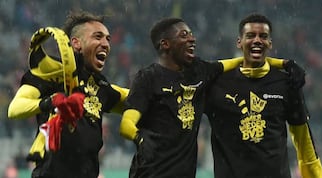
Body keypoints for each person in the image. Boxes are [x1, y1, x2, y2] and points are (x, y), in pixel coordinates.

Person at [118, 17, 303, 178]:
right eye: (184, 35)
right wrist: (139, 138)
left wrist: (284, 63)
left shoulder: (199, 72)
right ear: (165, 44)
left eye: (191, 34)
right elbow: (127, 124)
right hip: (150, 173)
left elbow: (240, 61)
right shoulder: (147, 77)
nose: (192, 39)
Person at [7, 10, 128, 178]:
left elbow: (137, 99)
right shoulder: (50, 72)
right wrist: (51, 102)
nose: (106, 44)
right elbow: (15, 109)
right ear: (76, 43)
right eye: (98, 37)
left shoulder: (102, 87)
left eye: (108, 39)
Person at [204, 13, 322, 178]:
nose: (257, 40)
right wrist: (284, 62)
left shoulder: (287, 83)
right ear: (239, 42)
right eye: (250, 36)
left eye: (263, 36)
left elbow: (304, 142)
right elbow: (192, 73)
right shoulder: (217, 85)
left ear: (270, 43)